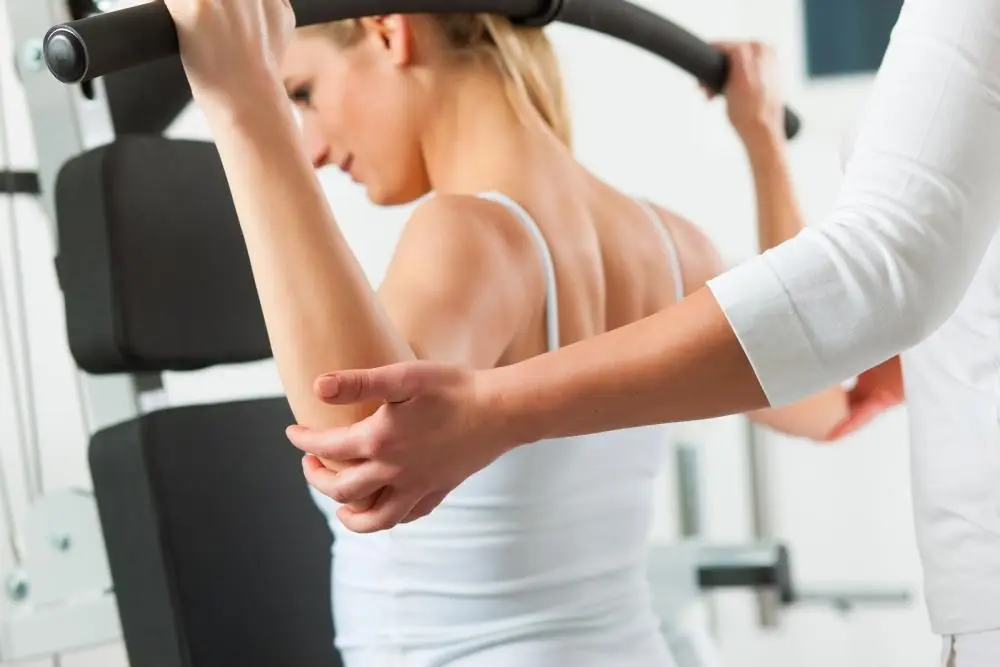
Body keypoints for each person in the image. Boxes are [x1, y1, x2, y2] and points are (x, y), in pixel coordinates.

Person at [160, 0, 896, 663]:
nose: (312, 146)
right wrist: (762, 140)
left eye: (305, 93)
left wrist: (246, 107)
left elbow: (363, 448)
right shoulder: (676, 245)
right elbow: (822, 400)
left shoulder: (471, 234)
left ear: (390, 30)